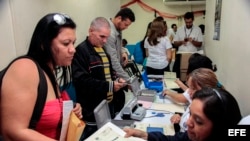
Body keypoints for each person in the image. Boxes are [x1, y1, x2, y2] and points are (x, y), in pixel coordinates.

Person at [0, 13, 82, 140]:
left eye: (73, 43)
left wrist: (73, 108)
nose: (73, 49)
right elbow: (13, 130)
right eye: (66, 44)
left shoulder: (49, 71)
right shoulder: (25, 68)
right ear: (44, 44)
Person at [71, 17, 127, 140]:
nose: (105, 40)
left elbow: (108, 75)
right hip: (92, 112)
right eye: (102, 37)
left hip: (108, 107)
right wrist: (110, 86)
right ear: (91, 31)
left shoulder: (103, 50)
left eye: (107, 37)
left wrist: (117, 81)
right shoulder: (81, 52)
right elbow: (82, 81)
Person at [124, 87, 242, 141]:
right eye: (190, 114)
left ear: (220, 129)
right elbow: (173, 140)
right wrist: (142, 134)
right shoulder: (195, 137)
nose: (187, 122)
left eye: (198, 121)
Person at [169, 68, 224, 132]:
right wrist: (180, 117)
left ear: (207, 90)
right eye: (189, 87)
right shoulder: (196, 100)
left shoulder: (207, 111)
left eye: (193, 88)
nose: (189, 91)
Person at [104, 7, 135, 82]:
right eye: (125, 24)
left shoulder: (118, 28)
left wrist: (123, 51)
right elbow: (113, 59)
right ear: (119, 18)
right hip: (108, 72)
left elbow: (118, 45)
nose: (126, 27)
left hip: (115, 71)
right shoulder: (110, 33)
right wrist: (128, 79)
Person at [173, 12, 203, 78]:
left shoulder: (198, 30)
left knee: (192, 75)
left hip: (193, 55)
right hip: (181, 54)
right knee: (177, 72)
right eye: (187, 22)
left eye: (190, 22)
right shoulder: (179, 29)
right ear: (184, 20)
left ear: (193, 20)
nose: (188, 24)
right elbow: (175, 43)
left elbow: (200, 44)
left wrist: (192, 41)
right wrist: (181, 42)